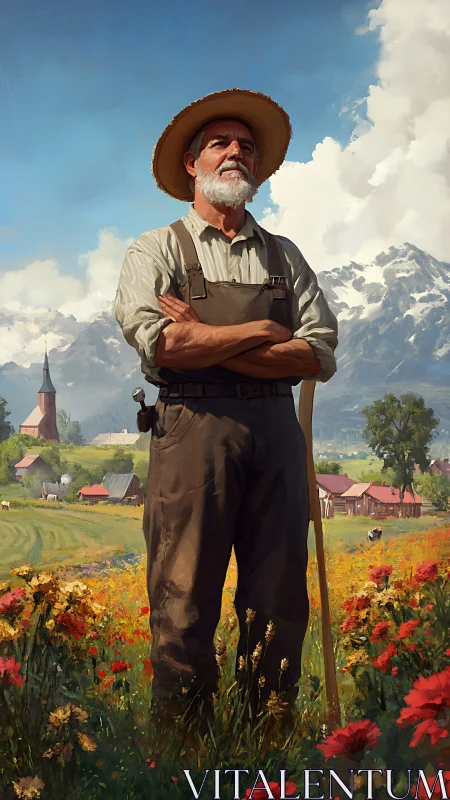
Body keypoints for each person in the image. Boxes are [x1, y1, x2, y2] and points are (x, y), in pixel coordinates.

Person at [115, 89, 338, 724]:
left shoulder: (284, 255)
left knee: (278, 596)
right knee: (183, 595)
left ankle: (265, 738)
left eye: (247, 146)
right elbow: (163, 344)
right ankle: (185, 749)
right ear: (193, 164)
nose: (236, 151)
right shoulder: (154, 249)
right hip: (191, 429)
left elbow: (317, 354)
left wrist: (208, 341)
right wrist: (265, 333)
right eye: (221, 143)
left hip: (276, 428)